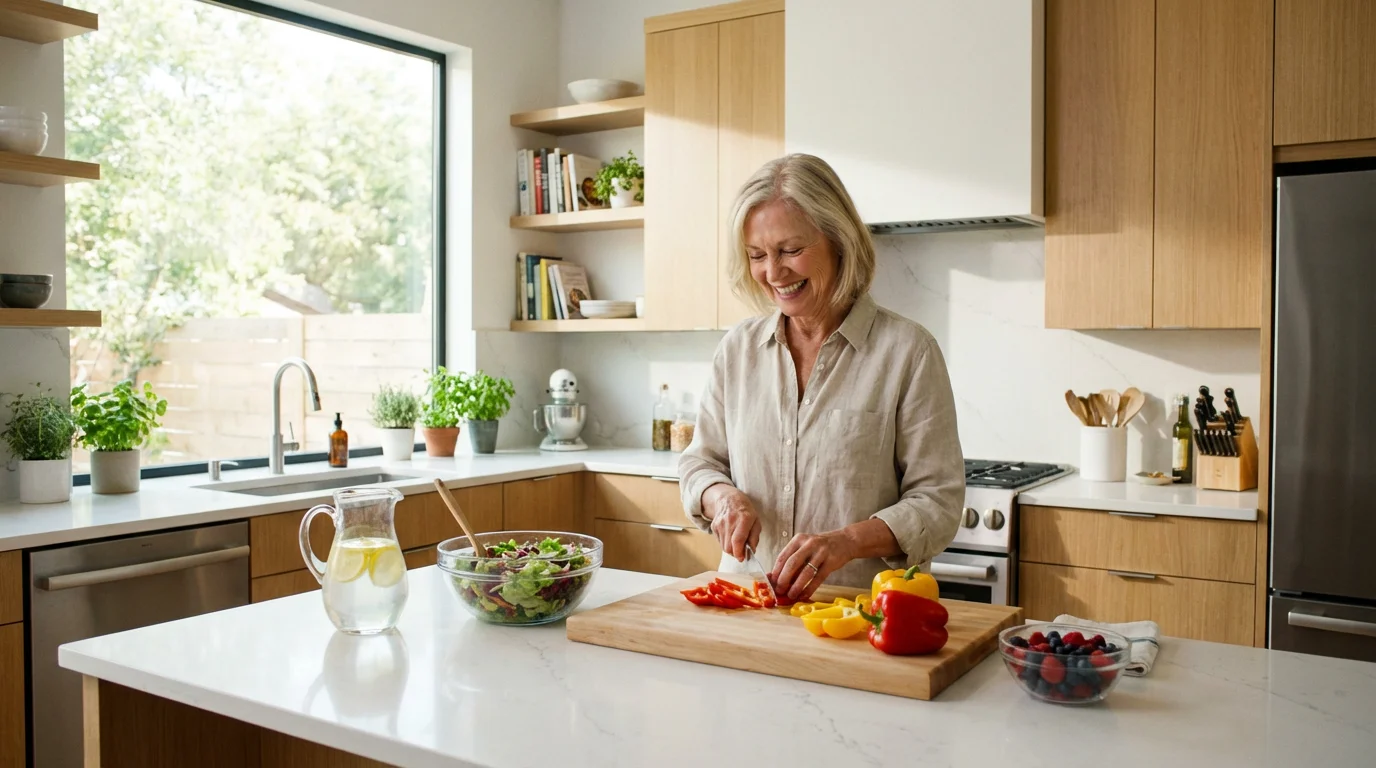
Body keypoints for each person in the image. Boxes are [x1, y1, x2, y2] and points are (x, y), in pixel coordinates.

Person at [678, 153, 965, 602]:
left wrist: (846, 542)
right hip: (745, 604)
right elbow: (700, 463)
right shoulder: (737, 351)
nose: (774, 273)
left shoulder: (908, 352)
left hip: (862, 615)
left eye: (791, 250)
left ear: (839, 240)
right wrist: (723, 499)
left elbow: (938, 503)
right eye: (757, 255)